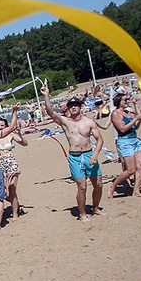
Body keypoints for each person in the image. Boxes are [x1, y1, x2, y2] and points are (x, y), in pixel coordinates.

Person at [41, 86, 105, 221]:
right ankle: (82, 214)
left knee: (98, 184)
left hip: (89, 154)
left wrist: (95, 154)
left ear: (80, 107)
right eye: (71, 106)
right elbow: (50, 112)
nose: (74, 107)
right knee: (82, 186)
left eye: (76, 105)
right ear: (68, 108)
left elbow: (100, 140)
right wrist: (47, 96)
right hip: (75, 156)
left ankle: (95, 207)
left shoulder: (89, 122)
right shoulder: (65, 122)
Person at [108, 92, 141, 198]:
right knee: (130, 170)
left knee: (140, 166)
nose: (127, 102)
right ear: (119, 102)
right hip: (125, 142)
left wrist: (138, 115)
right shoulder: (115, 114)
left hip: (135, 140)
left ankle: (136, 191)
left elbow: (135, 127)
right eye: (124, 100)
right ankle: (113, 185)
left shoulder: (128, 112)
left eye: (127, 100)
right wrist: (136, 119)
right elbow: (122, 129)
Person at [0, 114, 28, 220]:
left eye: (2, 125)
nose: (0, 127)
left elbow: (24, 143)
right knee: (4, 193)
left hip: (10, 161)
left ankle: (15, 214)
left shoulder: (10, 134)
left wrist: (19, 133)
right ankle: (17, 206)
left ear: (6, 126)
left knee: (12, 188)